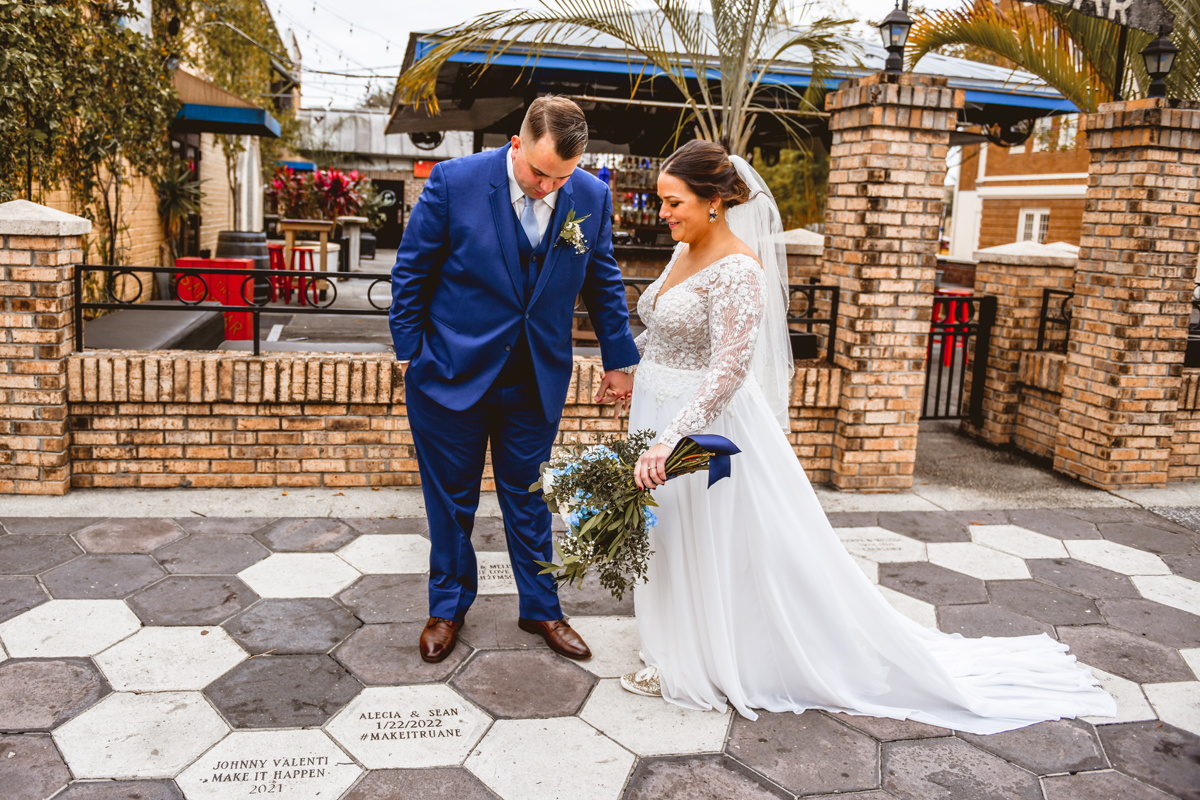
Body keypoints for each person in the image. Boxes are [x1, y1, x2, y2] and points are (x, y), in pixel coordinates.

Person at [612, 139, 1116, 735]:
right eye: (662, 201)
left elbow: (727, 369)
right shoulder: (681, 251)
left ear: (715, 201)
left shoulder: (740, 271)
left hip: (704, 429)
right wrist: (627, 366)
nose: (663, 212)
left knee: (713, 537)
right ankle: (671, 640)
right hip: (657, 409)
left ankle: (704, 657)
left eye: (673, 202)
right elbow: (668, 332)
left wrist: (668, 441)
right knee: (666, 531)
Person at [390, 97, 639, 664]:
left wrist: (619, 360)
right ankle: (447, 608)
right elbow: (411, 271)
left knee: (528, 498)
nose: (549, 187)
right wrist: (411, 353)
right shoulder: (455, 182)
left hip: (534, 378)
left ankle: (542, 608)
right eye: (539, 172)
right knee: (450, 502)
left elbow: (601, 281)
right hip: (449, 373)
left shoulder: (592, 196)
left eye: (562, 177)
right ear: (516, 144)